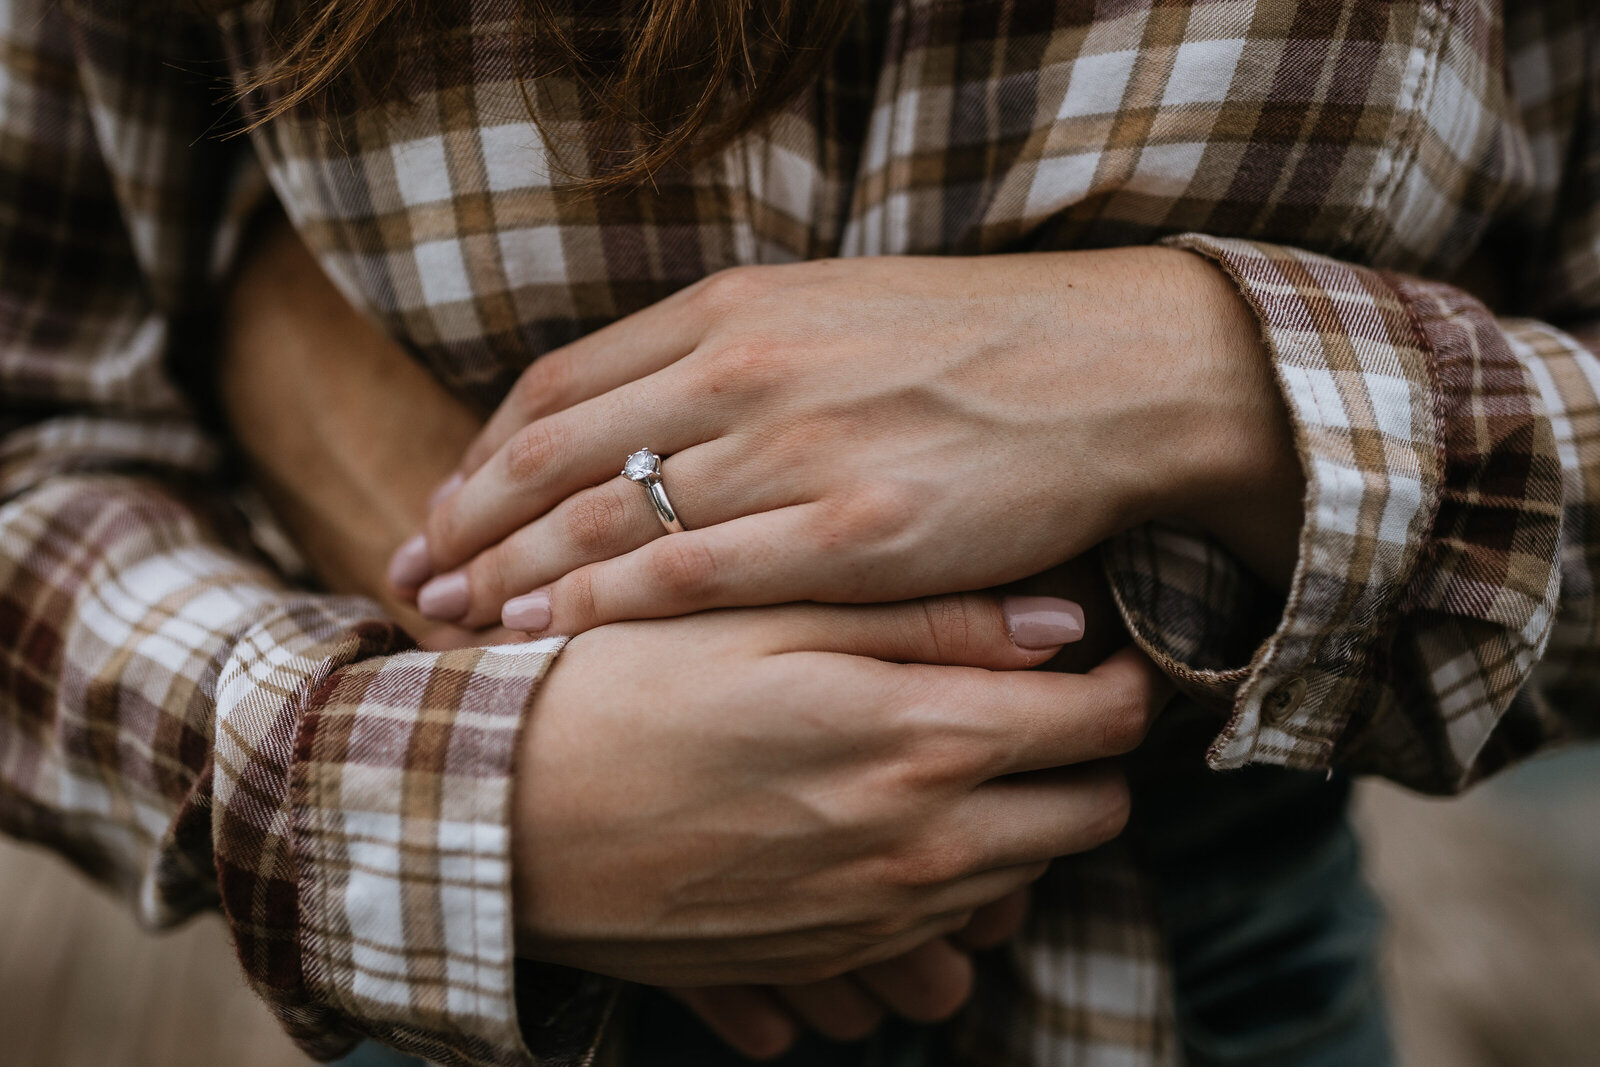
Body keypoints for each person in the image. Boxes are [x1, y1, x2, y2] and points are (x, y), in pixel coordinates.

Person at [0, 1, 1596, 1066]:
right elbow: (38, 405)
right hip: (499, 1006)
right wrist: (433, 791)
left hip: (1222, 985)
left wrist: (1209, 380)